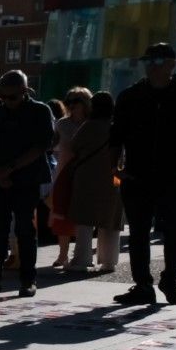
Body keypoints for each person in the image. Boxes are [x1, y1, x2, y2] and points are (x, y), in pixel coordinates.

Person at [109, 42, 176, 306]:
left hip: (174, 174)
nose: (151, 67)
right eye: (148, 62)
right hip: (136, 175)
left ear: (171, 64)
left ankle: (170, 279)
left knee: (175, 232)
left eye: (156, 62)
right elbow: (116, 136)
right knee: (139, 233)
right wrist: (115, 167)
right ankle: (143, 284)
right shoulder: (131, 96)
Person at [0, 69, 55, 298]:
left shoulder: (40, 111)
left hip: (27, 179)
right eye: (3, 97)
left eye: (13, 97)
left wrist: (10, 168)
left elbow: (41, 146)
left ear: (25, 92)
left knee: (25, 230)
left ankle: (28, 279)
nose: (8, 102)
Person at [63, 90, 122, 274]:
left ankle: (82, 260)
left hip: (87, 176)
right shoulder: (116, 127)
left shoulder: (89, 126)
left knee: (85, 219)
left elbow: (73, 146)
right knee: (110, 219)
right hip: (114, 177)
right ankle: (109, 261)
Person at [48, 88, 89, 268]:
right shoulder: (62, 124)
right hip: (63, 174)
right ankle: (62, 254)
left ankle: (80, 254)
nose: (72, 105)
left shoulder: (92, 124)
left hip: (85, 176)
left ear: (86, 102)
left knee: (83, 217)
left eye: (76, 101)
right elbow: (51, 144)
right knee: (61, 216)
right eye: (69, 101)